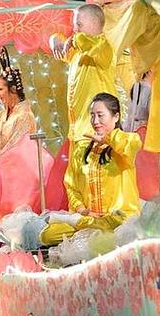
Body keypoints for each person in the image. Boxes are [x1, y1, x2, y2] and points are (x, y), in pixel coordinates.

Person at [41, 93, 142, 245]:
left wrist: (108, 138)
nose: (95, 121)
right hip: (90, 218)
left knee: (117, 222)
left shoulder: (124, 145)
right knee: (48, 235)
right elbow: (71, 186)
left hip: (119, 219)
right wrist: (83, 210)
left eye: (100, 115)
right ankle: (90, 226)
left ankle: (87, 226)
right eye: (92, 116)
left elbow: (133, 144)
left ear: (115, 117)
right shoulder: (81, 150)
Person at [50, 4, 117, 142]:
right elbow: (58, 43)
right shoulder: (78, 52)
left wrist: (73, 40)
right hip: (78, 132)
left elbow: (87, 43)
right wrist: (54, 40)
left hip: (98, 133)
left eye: (79, 24)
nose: (75, 29)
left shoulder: (104, 47)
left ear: (94, 23)